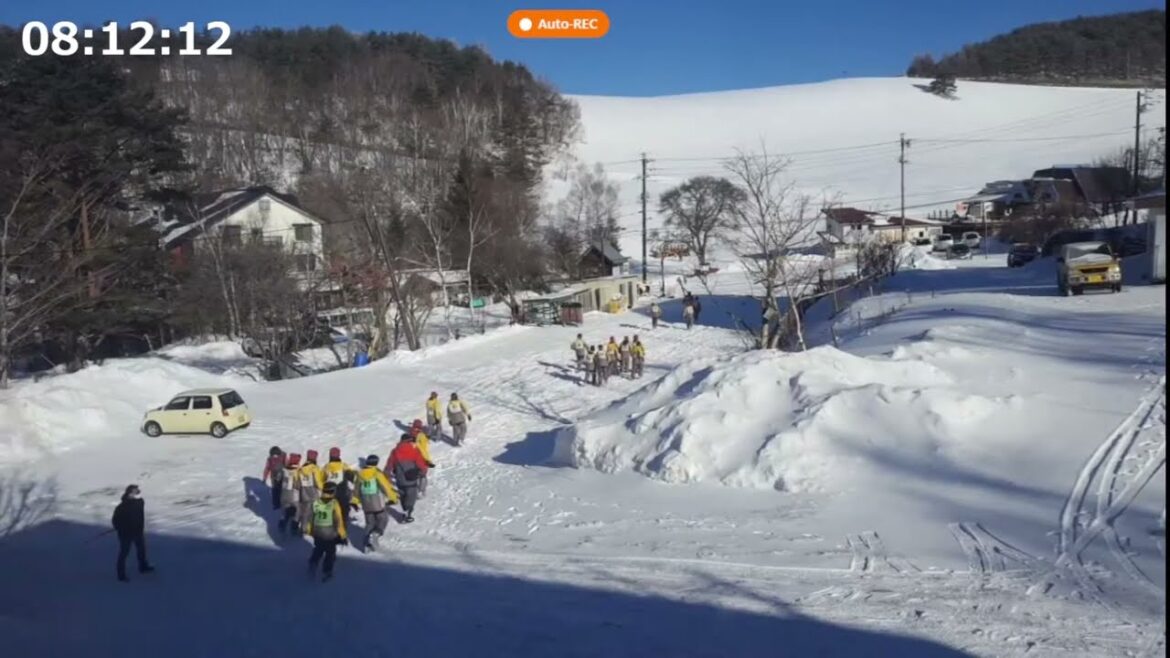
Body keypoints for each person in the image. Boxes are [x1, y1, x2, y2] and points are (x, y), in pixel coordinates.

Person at [305, 481, 348, 582]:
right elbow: (339, 521)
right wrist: (343, 535)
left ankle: (313, 563)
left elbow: (310, 517)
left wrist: (309, 530)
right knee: (330, 553)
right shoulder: (334, 503)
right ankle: (327, 571)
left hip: (318, 532)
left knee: (318, 549)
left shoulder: (316, 502)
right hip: (330, 534)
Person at [355, 455, 398, 553]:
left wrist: (355, 500)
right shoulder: (376, 473)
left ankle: (366, 544)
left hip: (366, 503)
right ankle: (376, 533)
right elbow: (385, 487)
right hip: (377, 502)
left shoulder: (360, 474)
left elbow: (357, 489)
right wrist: (393, 498)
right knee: (383, 519)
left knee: (369, 523)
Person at [112, 484, 154, 582]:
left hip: (138, 531)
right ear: (129, 493)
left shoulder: (138, 503)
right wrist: (122, 527)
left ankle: (143, 567)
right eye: (135, 491)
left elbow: (140, 502)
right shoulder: (121, 507)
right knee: (124, 553)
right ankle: (121, 575)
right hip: (126, 534)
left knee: (141, 550)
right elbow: (115, 521)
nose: (138, 492)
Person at [388, 432, 430, 523]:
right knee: (411, 496)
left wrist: (386, 476)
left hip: (399, 478)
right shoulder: (414, 451)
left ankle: (405, 509)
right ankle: (408, 512)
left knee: (403, 494)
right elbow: (420, 464)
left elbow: (389, 465)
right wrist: (423, 472)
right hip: (411, 478)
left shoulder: (394, 451)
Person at [322, 447, 358, 518]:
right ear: (339, 455)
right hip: (343, 493)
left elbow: (321, 480)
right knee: (343, 513)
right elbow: (352, 478)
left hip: (330, 494)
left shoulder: (326, 467)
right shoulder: (343, 466)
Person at [296, 449, 325, 532]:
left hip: (303, 493)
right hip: (313, 493)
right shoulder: (314, 468)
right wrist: (323, 489)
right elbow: (318, 482)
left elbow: (298, 482)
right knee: (314, 512)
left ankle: (303, 528)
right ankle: (312, 529)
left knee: (305, 511)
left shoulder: (301, 469)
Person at [277, 453, 303, 536]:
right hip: (294, 495)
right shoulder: (299, 471)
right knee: (298, 510)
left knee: (284, 510)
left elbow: (278, 478)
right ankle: (294, 527)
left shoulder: (283, 470)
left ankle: (282, 526)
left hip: (284, 494)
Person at [409, 419, 436, 496]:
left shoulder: (414, 436)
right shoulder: (421, 438)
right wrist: (429, 461)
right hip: (422, 459)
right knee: (422, 475)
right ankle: (421, 490)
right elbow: (423, 451)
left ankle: (417, 489)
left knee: (416, 475)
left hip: (412, 459)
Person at [262, 446, 285, 511]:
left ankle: (283, 503)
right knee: (275, 490)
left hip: (283, 475)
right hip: (274, 476)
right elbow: (267, 468)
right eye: (273, 456)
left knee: (283, 489)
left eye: (276, 456)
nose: (275, 457)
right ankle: (276, 504)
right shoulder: (270, 459)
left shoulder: (284, 456)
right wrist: (264, 478)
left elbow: (287, 464)